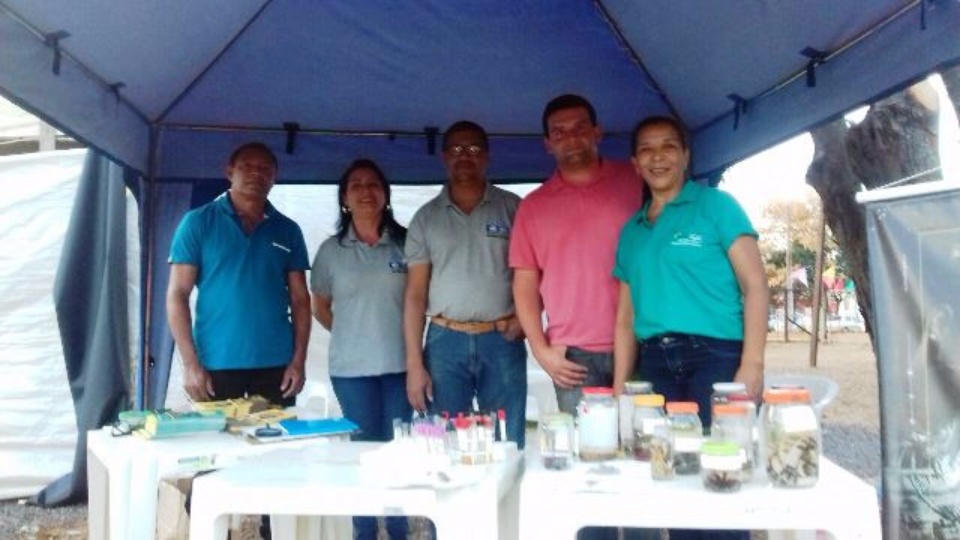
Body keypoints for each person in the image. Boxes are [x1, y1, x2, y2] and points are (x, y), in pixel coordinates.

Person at [613, 116, 768, 540]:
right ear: (635, 162)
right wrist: (620, 388)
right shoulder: (632, 230)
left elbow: (755, 286)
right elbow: (625, 319)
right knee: (674, 480)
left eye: (668, 147)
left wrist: (751, 364)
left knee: (722, 478)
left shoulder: (716, 206)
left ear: (685, 156)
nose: (657, 156)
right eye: (647, 149)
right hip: (656, 365)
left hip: (716, 357)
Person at [511, 94, 642, 416]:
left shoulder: (638, 181)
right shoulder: (533, 207)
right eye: (560, 132)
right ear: (547, 143)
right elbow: (524, 284)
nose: (571, 138)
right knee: (589, 457)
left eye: (580, 127)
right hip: (574, 356)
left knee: (645, 449)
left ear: (597, 132)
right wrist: (540, 350)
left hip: (643, 342)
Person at [403, 120, 528, 448]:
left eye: (473, 149)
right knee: (444, 442)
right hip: (445, 340)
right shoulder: (426, 218)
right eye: (456, 149)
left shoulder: (514, 208)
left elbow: (534, 275)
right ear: (445, 157)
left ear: (486, 156)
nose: (465, 157)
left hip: (501, 339)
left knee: (506, 439)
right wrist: (415, 364)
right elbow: (415, 295)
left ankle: (504, 499)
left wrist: (524, 321)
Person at [310, 159, 411, 540]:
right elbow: (319, 305)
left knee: (398, 453)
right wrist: (353, 332)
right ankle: (364, 532)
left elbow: (423, 299)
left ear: (386, 195)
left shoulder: (407, 243)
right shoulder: (330, 251)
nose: (366, 190)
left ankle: (399, 530)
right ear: (344, 199)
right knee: (362, 455)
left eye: (373, 184)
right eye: (356, 185)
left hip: (402, 367)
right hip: (351, 370)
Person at [167, 142, 311, 407]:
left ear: (274, 177)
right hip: (214, 363)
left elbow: (301, 300)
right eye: (247, 166)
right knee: (218, 445)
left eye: (265, 168)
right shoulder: (198, 222)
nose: (256, 173)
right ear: (230, 171)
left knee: (276, 446)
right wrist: (190, 364)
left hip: (276, 365)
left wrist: (298, 362)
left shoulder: (288, 230)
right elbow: (177, 294)